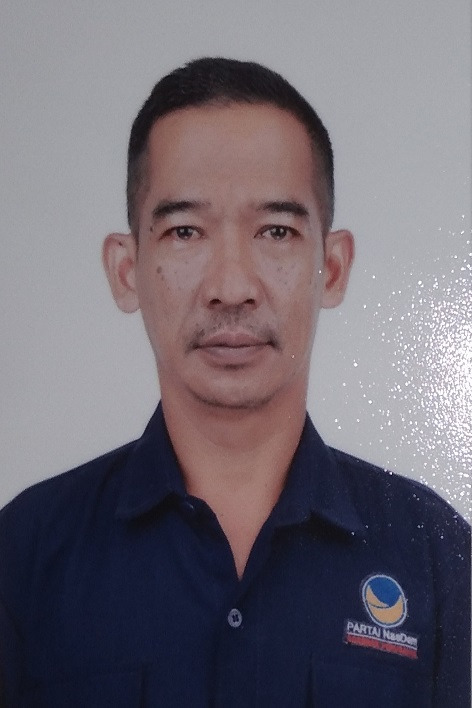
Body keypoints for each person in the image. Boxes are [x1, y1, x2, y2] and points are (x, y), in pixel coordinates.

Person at [0, 58, 469, 708]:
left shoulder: (437, 558)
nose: (231, 287)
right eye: (185, 231)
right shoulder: (24, 554)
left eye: (276, 231)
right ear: (126, 270)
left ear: (332, 268)